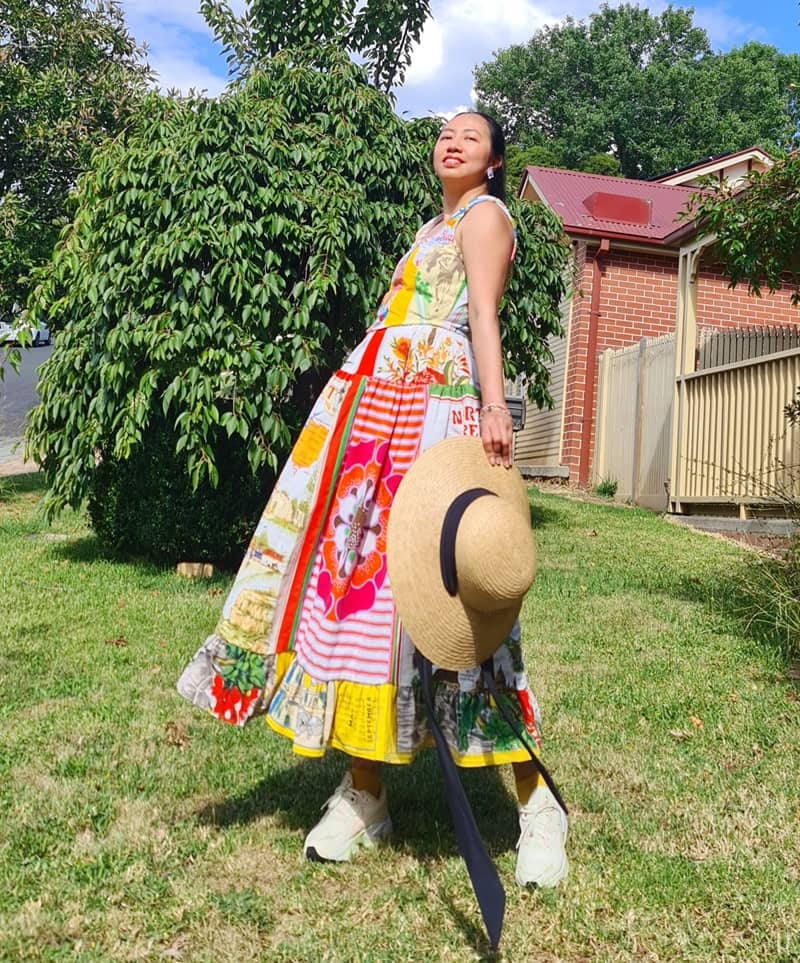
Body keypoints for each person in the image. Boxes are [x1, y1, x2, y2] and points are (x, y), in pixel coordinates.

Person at [177, 111, 568, 888]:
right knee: (366, 598)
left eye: (472, 138)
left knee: (453, 606)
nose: (452, 143)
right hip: (373, 422)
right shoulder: (432, 223)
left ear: (493, 163)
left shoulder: (488, 217)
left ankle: (538, 804)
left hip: (433, 410)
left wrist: (494, 410)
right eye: (445, 134)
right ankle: (366, 791)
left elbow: (482, 316)